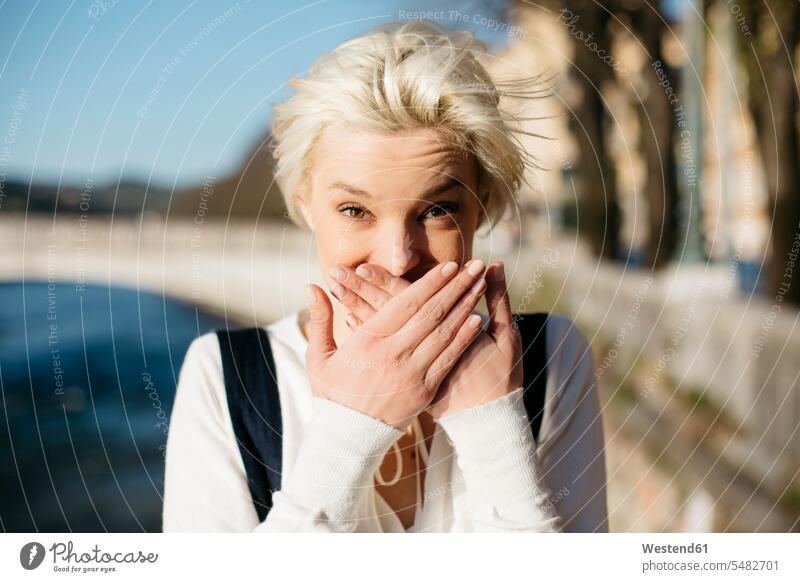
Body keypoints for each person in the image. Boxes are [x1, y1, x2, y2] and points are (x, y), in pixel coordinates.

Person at [162, 19, 608, 533]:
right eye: (355, 210)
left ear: (480, 208)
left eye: (438, 208)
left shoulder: (551, 358)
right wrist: (350, 431)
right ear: (307, 208)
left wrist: (492, 424)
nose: (398, 259)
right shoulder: (227, 380)